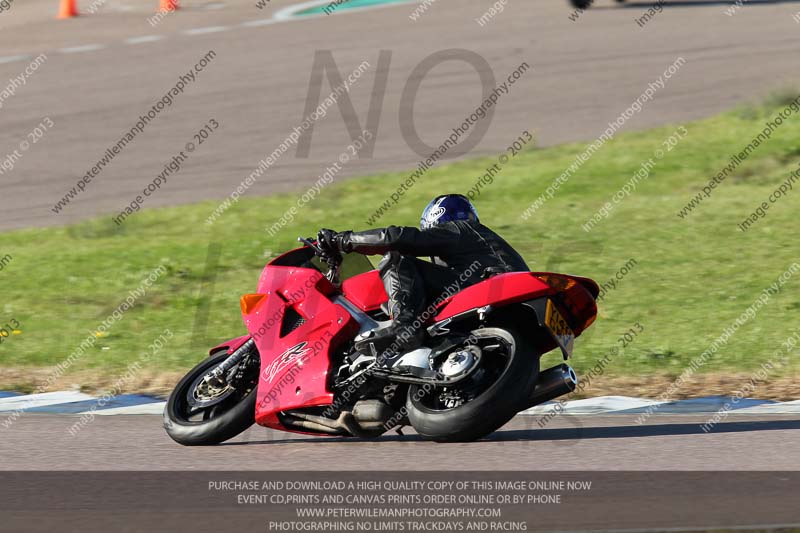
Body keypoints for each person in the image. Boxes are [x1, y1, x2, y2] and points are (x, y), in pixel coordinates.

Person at [317, 194, 529, 367]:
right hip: (507, 308)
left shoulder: (459, 229)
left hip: (487, 288)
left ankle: (404, 327)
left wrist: (342, 240)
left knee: (396, 258)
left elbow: (397, 238)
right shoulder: (482, 245)